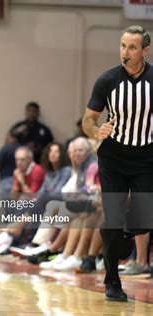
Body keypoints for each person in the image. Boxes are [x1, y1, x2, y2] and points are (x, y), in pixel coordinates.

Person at [82, 25, 153, 302]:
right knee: (113, 221)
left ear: (144, 51)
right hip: (113, 157)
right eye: (123, 46)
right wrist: (96, 131)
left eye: (132, 47)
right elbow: (88, 119)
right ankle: (112, 280)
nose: (126, 52)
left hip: (146, 157)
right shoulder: (108, 80)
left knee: (142, 220)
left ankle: (122, 231)